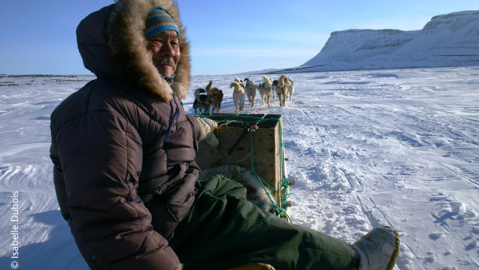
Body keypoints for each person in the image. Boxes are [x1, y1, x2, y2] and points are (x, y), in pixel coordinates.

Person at [50, 0, 400, 269]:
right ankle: (350, 262)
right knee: (242, 218)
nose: (171, 50)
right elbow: (109, 220)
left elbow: (165, 130)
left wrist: (201, 125)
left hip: (178, 196)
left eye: (175, 42)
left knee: (236, 181)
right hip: (169, 228)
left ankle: (258, 234)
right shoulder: (98, 112)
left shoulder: (148, 96)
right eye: (157, 41)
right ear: (131, 48)